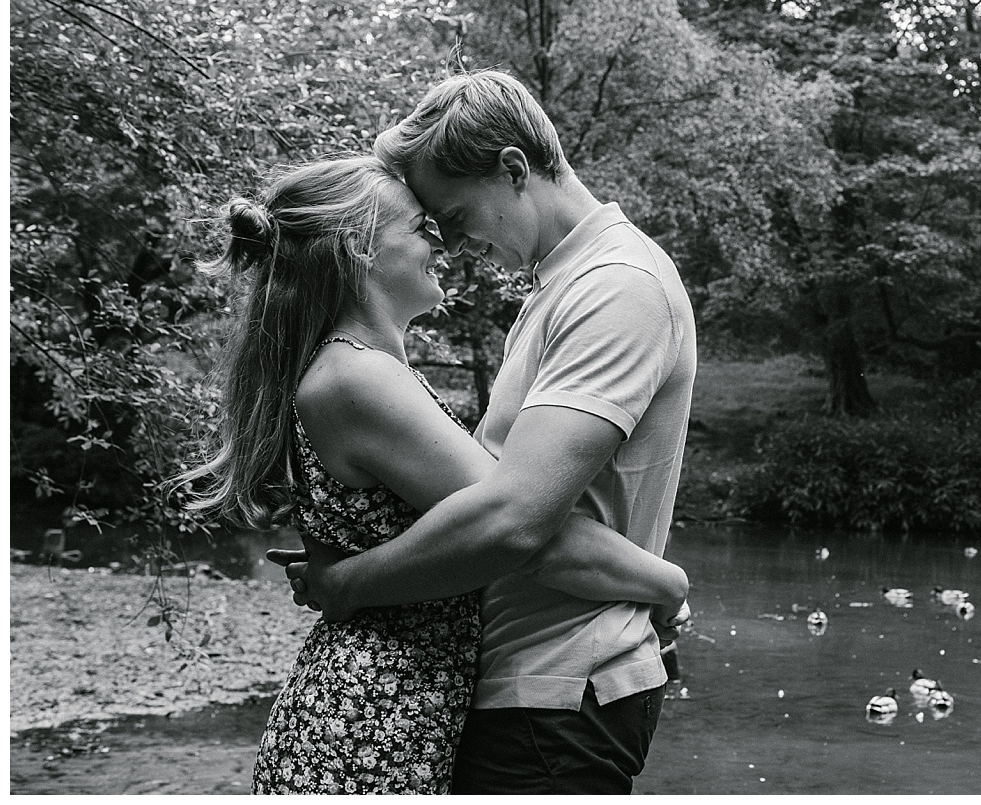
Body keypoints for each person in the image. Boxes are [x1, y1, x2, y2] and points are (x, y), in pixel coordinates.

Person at [176, 154, 689, 796]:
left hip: (393, 708)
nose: (440, 242)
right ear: (360, 250)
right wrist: (665, 581)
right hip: (371, 719)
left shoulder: (356, 370)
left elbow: (493, 520)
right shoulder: (361, 377)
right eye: (422, 227)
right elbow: (517, 526)